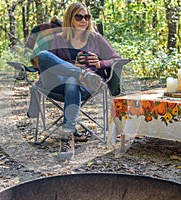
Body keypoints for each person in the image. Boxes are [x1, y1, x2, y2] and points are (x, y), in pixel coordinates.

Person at [36, 2, 121, 158]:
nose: (84, 20)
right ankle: (80, 74)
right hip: (59, 84)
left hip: (87, 85)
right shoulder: (59, 39)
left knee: (72, 81)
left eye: (87, 17)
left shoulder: (95, 38)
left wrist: (99, 63)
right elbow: (53, 65)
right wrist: (74, 67)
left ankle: (67, 135)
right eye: (79, 17)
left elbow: (116, 59)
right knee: (43, 56)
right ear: (70, 19)